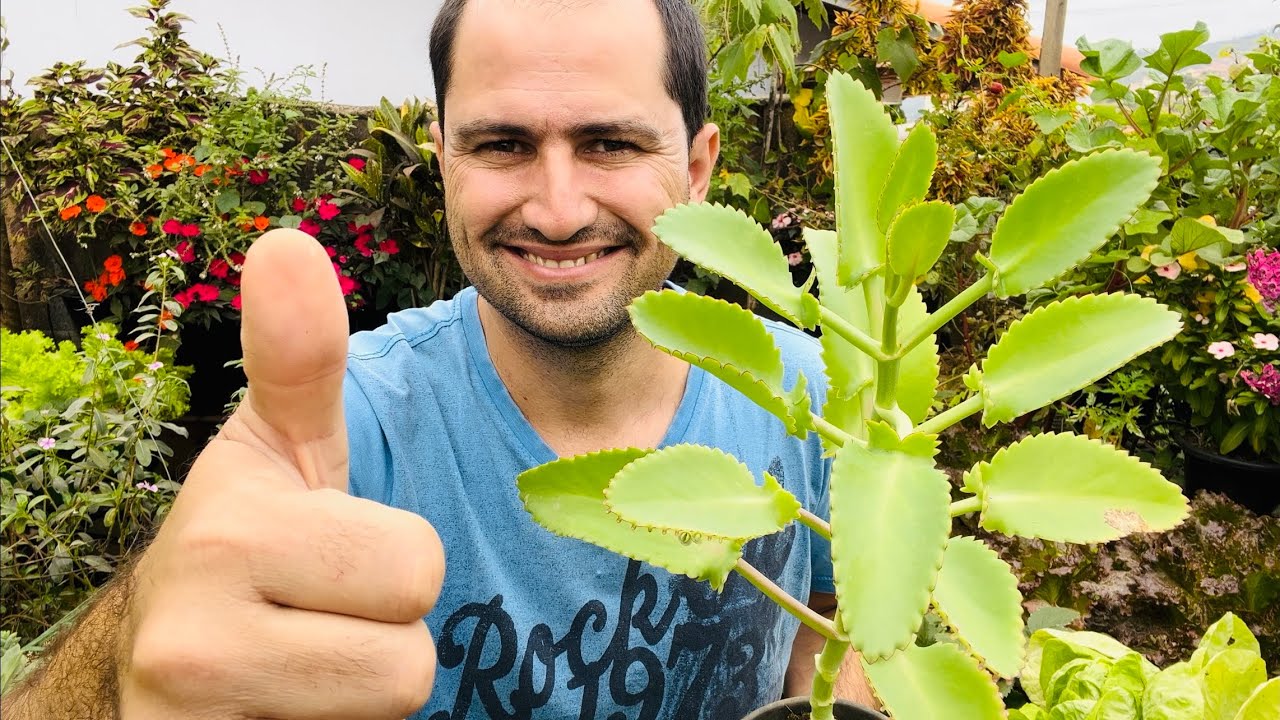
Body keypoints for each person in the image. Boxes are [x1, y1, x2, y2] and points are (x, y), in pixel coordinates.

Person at [3, 0, 877, 717]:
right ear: (443, 157)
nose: (559, 210)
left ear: (697, 169)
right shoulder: (350, 432)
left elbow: (821, 634)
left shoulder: (808, 394)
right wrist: (131, 641)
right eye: (502, 144)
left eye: (611, 144)